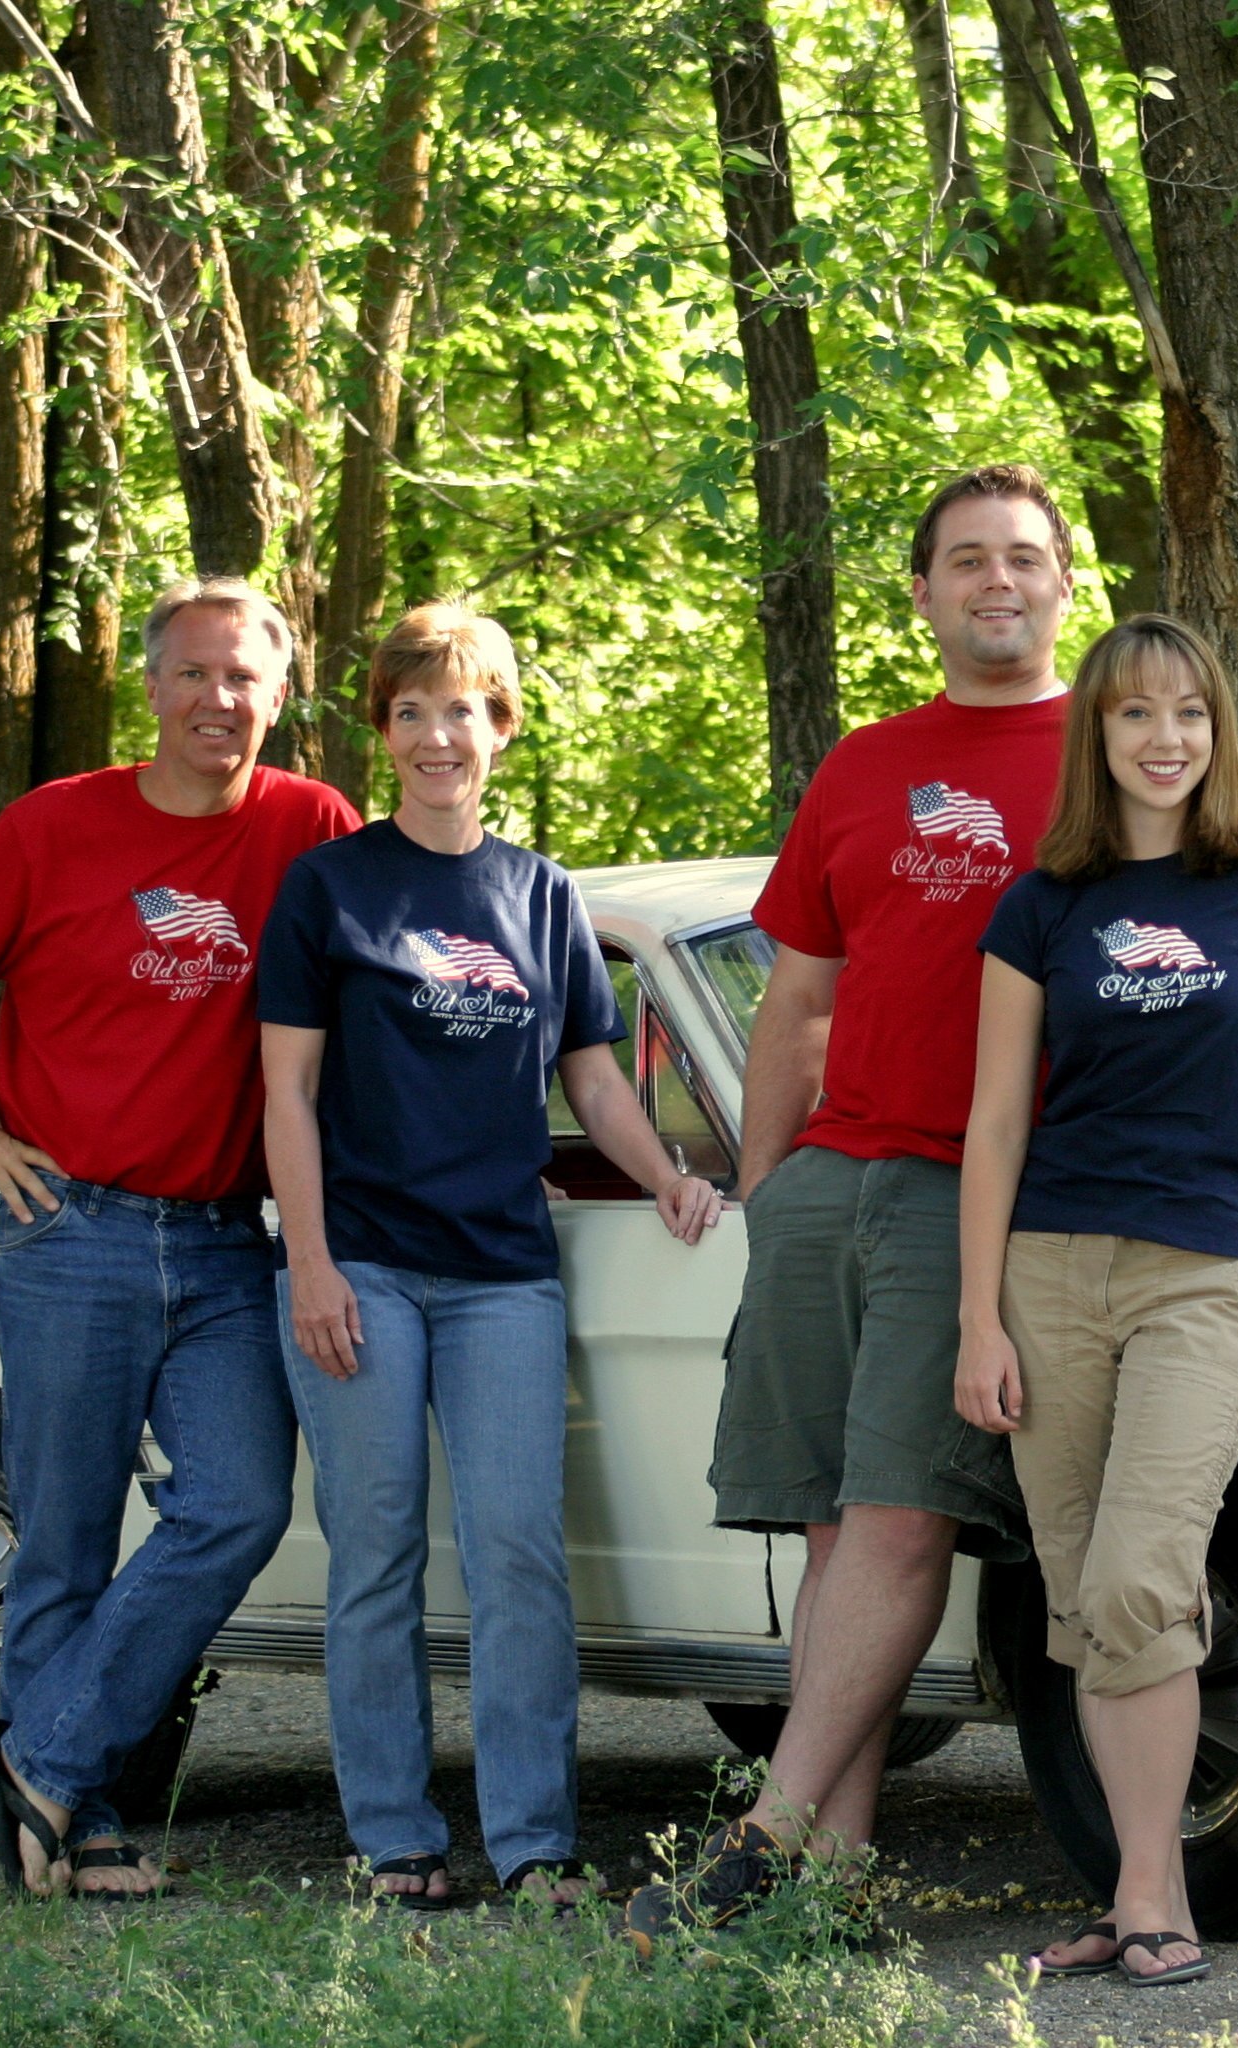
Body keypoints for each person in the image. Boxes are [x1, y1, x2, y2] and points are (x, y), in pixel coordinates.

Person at [628, 465, 1078, 1936]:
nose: (996, 581)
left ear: (1065, 580)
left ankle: (761, 1838)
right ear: (924, 591)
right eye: (966, 560)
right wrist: (770, 1184)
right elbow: (798, 1004)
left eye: (1022, 557)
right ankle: (833, 1873)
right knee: (832, 1530)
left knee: (897, 1524)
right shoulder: (866, 763)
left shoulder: (1120, 749)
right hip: (833, 1180)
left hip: (987, 1191)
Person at [0, 578, 362, 1899]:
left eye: (246, 679)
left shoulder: (310, 826)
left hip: (221, 1242)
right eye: (195, 675)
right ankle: (75, 1817)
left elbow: (383, 959)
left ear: (280, 691)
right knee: (67, 1536)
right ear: (151, 690)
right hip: (68, 1229)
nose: (221, 701)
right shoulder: (56, 829)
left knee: (240, 1500)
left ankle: (40, 1751)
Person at [960, 615, 1238, 1988]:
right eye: (1137, 716)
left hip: (1206, 1273)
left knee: (1148, 1578)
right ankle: (1134, 1890)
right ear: (1098, 737)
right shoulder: (1042, 907)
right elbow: (991, 1125)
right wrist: (979, 1319)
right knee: (1087, 1602)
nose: (1167, 740)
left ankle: (1155, 1894)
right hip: (1050, 1274)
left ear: (1220, 734)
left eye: (1191, 716)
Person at [258, 605, 719, 1911]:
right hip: (365, 1268)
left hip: (504, 1274)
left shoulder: (542, 894)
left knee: (520, 1547)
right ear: (386, 732)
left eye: (462, 708)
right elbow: (284, 1095)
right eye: (411, 711)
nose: (436, 734)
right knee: (380, 1550)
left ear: (500, 727)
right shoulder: (331, 890)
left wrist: (672, 1179)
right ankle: (397, 1837)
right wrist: (311, 1263)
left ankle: (532, 1843)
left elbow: (595, 1080)